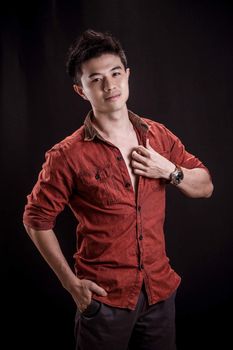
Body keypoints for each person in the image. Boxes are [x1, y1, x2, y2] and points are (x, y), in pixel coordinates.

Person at [23, 29, 213, 350]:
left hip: (160, 294)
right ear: (81, 91)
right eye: (95, 79)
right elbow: (36, 220)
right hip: (103, 302)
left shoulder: (158, 136)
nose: (109, 85)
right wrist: (71, 285)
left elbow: (204, 186)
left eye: (115, 73)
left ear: (127, 75)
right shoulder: (67, 155)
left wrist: (169, 170)